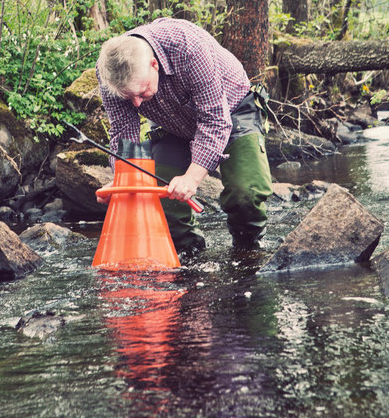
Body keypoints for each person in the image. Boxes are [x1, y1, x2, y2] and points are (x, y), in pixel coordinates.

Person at [95, 17, 273, 254]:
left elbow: (215, 120)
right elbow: (123, 132)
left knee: (245, 196)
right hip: (170, 124)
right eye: (129, 98)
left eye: (142, 92)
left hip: (232, 109)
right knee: (166, 205)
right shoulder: (109, 71)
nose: (136, 103)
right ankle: (190, 260)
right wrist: (123, 182)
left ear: (154, 65)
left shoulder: (188, 48)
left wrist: (191, 178)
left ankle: (248, 251)